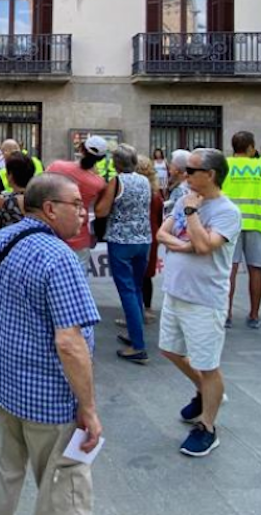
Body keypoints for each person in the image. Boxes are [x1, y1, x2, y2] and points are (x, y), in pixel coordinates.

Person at [0, 173, 101, 515]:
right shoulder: (59, 257)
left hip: (5, 386)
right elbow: (70, 342)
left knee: (1, 474)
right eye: (75, 205)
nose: (83, 213)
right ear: (49, 208)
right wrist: (88, 408)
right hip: (51, 400)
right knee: (65, 486)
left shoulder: (0, 238)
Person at [157, 148, 243, 457]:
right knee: (169, 349)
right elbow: (161, 234)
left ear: (211, 175)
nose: (184, 174)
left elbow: (206, 246)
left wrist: (193, 216)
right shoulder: (183, 199)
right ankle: (207, 393)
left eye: (192, 170)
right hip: (176, 291)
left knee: (208, 365)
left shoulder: (227, 211)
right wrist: (185, 244)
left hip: (205, 298)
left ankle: (208, 426)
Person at [95, 144, 154, 363]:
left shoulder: (117, 181)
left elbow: (101, 211)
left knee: (127, 291)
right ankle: (134, 334)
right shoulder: (144, 181)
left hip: (121, 241)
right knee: (137, 288)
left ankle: (138, 346)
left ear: (116, 163)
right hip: (144, 239)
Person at [224, 131, 261, 329]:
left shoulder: (224, 165)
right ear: (251, 148)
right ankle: (254, 315)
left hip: (229, 224)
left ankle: (226, 314)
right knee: (256, 269)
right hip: (257, 223)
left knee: (229, 270)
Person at [46, 135, 109, 257]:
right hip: (79, 238)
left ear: (81, 149)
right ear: (101, 159)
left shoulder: (57, 166)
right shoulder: (99, 183)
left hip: (51, 235)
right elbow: (100, 211)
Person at [135, 155, 165, 321]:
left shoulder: (134, 191)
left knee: (135, 275)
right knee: (147, 275)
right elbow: (159, 217)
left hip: (138, 233)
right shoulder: (156, 194)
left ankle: (135, 311)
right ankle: (147, 308)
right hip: (152, 233)